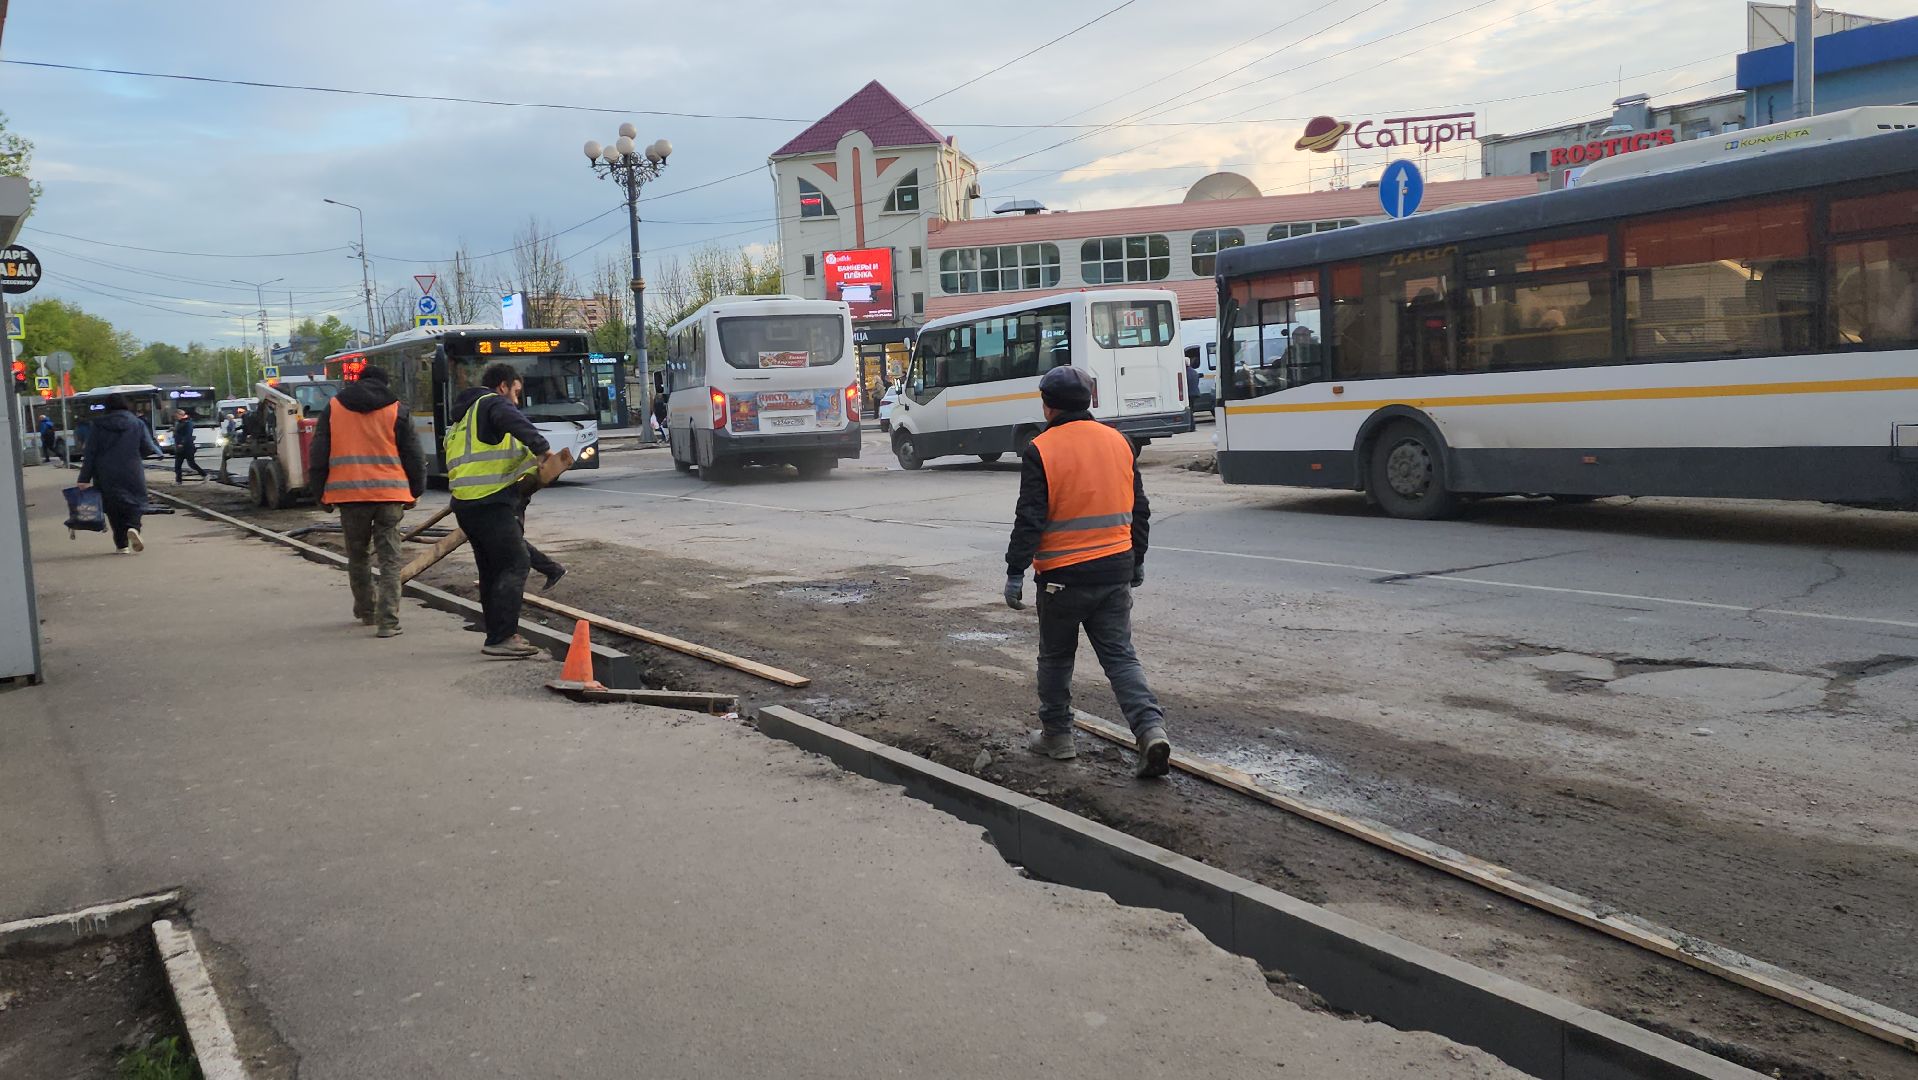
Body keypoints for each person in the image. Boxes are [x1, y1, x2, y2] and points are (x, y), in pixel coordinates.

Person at [1004, 365, 1171, 779]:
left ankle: (1058, 737)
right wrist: (1138, 560)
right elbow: (1140, 509)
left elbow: (1031, 516)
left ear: (1047, 406)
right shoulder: (1119, 442)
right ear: (1089, 400)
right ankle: (1150, 730)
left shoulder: (1041, 448)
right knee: (1120, 657)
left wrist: (1014, 570)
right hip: (1114, 569)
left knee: (1057, 657)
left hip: (1063, 577)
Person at [307, 366, 427, 639]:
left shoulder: (334, 408)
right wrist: (416, 490)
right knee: (390, 560)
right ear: (384, 382)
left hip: (349, 496)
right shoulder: (397, 409)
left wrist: (319, 493)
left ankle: (366, 610)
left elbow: (318, 452)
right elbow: (413, 454)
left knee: (358, 556)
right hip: (389, 495)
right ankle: (389, 621)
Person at [448, 362, 554, 659]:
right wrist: (542, 449)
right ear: (502, 386)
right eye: (515, 393)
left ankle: (496, 635)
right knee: (516, 563)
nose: (516, 401)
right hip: (489, 501)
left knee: (492, 570)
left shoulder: (463, 416)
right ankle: (503, 637)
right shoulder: (492, 403)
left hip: (467, 503)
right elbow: (511, 418)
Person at [75, 394, 162, 555]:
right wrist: (136, 455)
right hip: (132, 469)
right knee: (135, 502)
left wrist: (84, 478)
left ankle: (122, 545)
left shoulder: (98, 425)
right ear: (126, 405)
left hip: (105, 472)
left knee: (113, 507)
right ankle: (134, 528)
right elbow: (148, 447)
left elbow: (90, 453)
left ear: (107, 407)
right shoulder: (137, 423)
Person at [172, 409, 209, 482]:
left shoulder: (188, 423)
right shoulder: (179, 422)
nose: (175, 418)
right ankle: (178, 481)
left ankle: (205, 474)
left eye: (176, 416)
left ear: (180, 415)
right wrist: (173, 430)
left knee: (191, 463)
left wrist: (182, 443)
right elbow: (179, 432)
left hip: (187, 447)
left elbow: (187, 435)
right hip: (180, 447)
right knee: (177, 465)